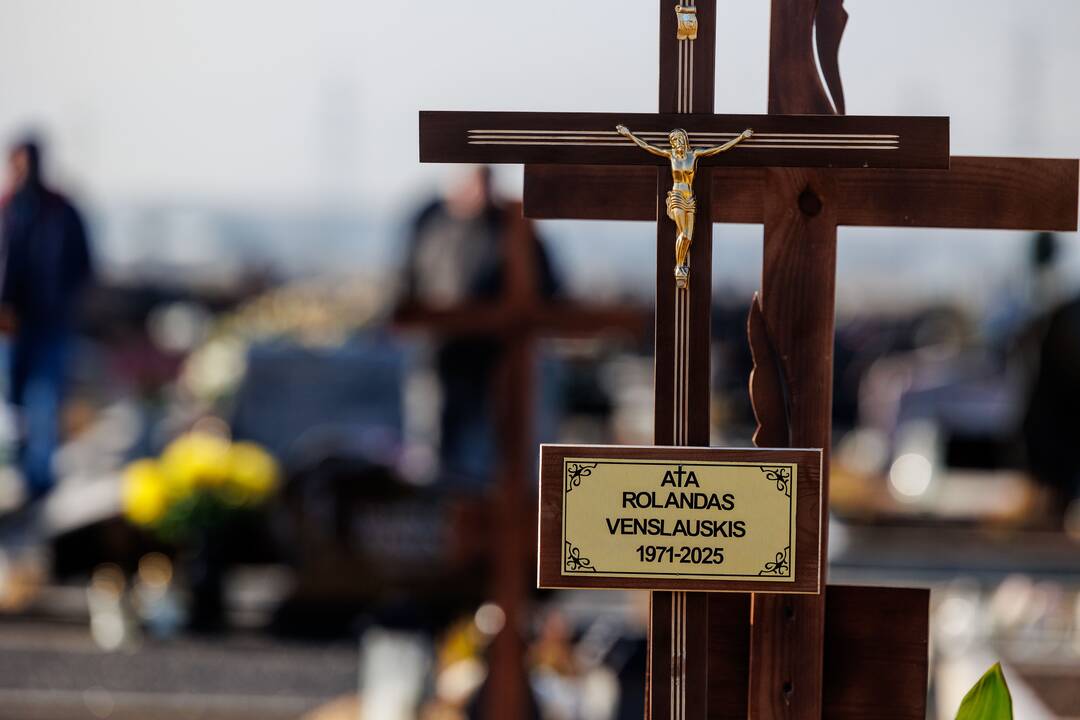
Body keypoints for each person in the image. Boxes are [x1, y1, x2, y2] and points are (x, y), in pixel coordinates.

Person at [400, 167, 558, 488]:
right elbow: (408, 287)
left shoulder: (513, 227)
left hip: (500, 367)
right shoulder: (433, 225)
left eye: (484, 180)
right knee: (434, 459)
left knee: (500, 465)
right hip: (440, 360)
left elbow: (550, 292)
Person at [0, 137, 94, 502]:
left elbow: (82, 264)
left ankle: (40, 475)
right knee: (15, 400)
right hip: (12, 324)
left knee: (46, 398)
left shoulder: (61, 210)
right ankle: (22, 469)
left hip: (51, 321)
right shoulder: (7, 209)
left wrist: (65, 302)